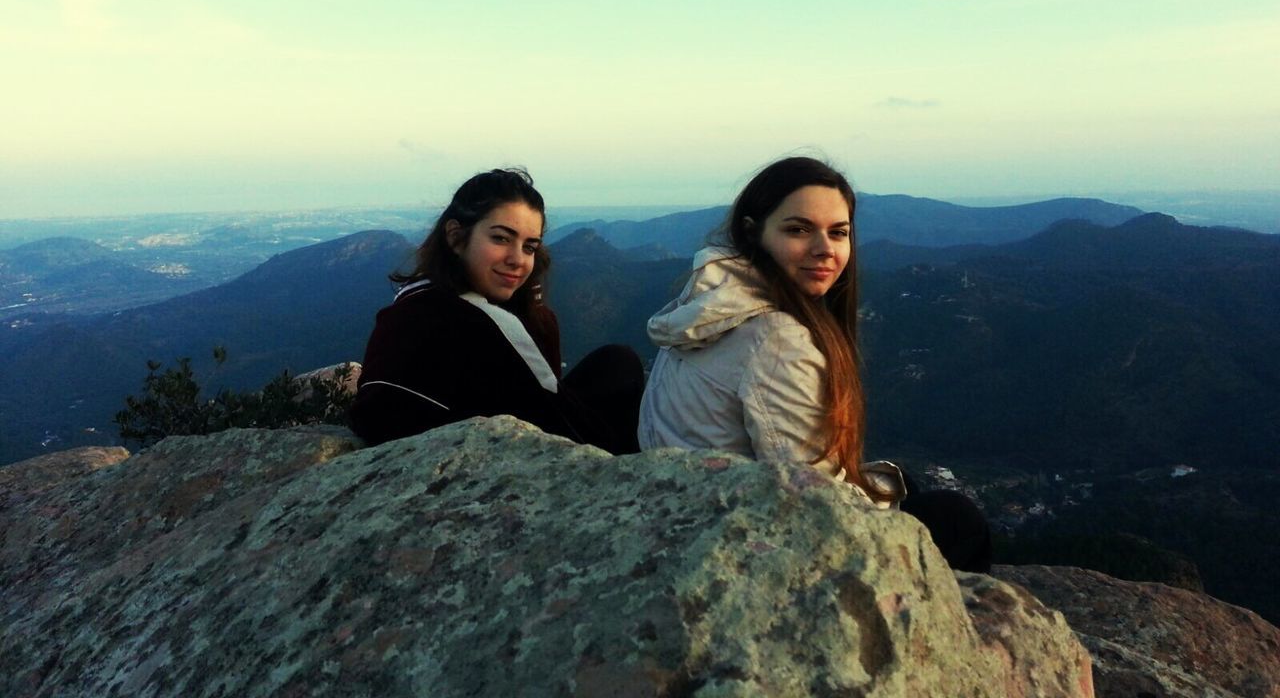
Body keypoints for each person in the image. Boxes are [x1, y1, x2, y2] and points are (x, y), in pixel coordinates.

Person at [638, 156, 991, 572]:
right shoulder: (777, 339)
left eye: (838, 232)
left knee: (903, 485)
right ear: (753, 234)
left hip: (686, 509)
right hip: (738, 549)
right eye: (798, 229)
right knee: (958, 519)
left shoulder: (707, 305)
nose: (824, 249)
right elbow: (813, 500)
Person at [348, 168, 643, 455]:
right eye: (501, 238)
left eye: (529, 247)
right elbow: (562, 421)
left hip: (427, 452)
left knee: (613, 363)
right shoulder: (482, 322)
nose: (518, 260)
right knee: (620, 365)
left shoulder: (416, 300)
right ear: (455, 237)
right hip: (493, 462)